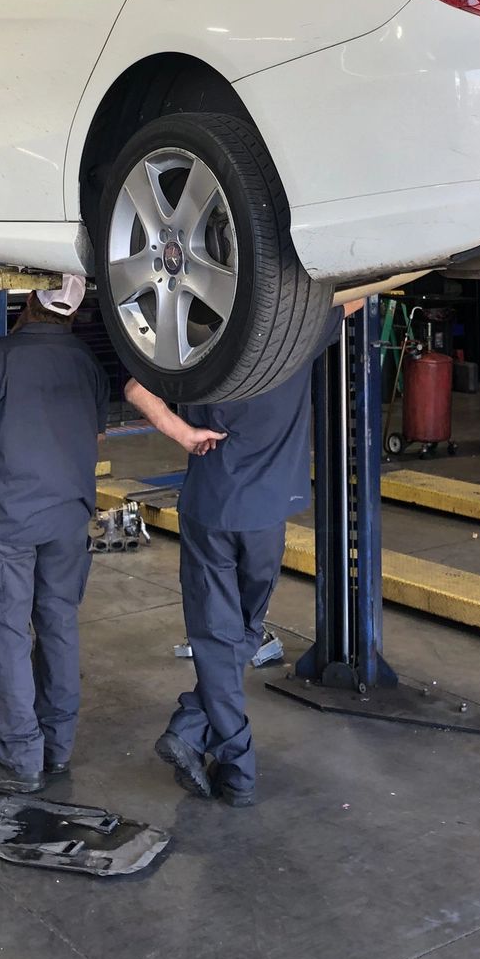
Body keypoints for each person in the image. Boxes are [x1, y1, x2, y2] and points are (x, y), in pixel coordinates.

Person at [126, 299, 364, 808]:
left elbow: (135, 390)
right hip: (265, 514)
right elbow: (357, 295)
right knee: (245, 630)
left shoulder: (198, 352)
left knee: (221, 636)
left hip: (209, 509)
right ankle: (230, 762)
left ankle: (202, 735)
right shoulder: (293, 342)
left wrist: (186, 435)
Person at [0, 275, 109, 795]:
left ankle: (19, 759)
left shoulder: (0, 357)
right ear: (73, 311)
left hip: (10, 522)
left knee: (8, 635)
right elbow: (95, 433)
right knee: (59, 627)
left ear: (30, 298)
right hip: (68, 520)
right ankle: (56, 749)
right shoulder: (87, 362)